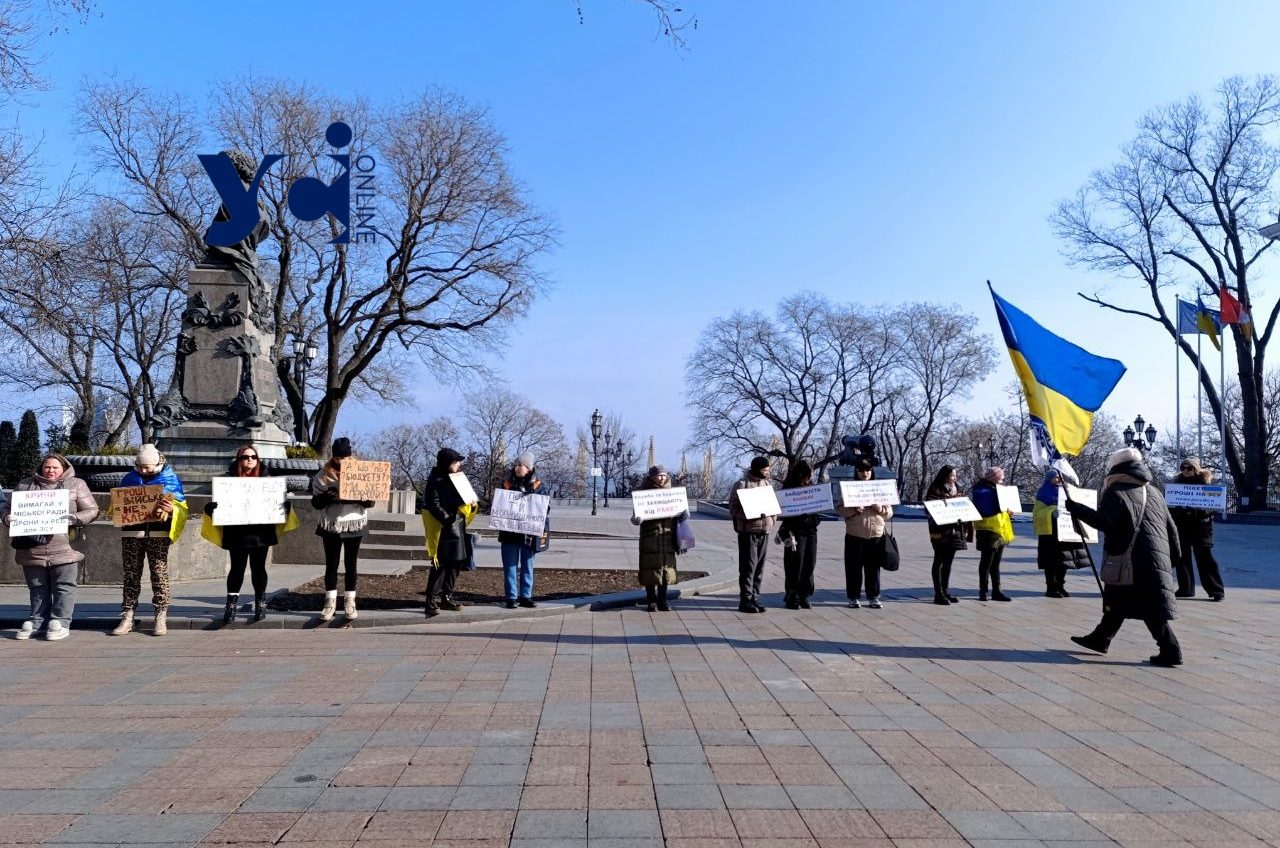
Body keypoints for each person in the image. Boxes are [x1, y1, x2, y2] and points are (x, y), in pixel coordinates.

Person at [1066, 447, 1183, 667]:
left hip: (1129, 559)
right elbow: (1172, 529)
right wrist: (1172, 560)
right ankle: (1101, 639)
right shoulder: (1154, 492)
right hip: (1155, 559)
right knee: (1120, 600)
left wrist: (1077, 509)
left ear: (1115, 468)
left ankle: (1171, 649)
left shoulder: (1117, 491)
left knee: (1147, 607)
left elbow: (1105, 523)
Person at [2, 454, 100, 641]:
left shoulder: (76, 484)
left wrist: (77, 518)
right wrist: (7, 518)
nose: (51, 471)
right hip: (32, 547)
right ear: (41, 468)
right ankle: (37, 620)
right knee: (37, 587)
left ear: (63, 468)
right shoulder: (24, 485)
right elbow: (7, 508)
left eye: (55, 467)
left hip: (65, 547)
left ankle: (60, 622)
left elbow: (92, 510)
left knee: (64, 586)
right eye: (48, 467)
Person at [204, 444, 292, 624]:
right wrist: (211, 508)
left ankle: (260, 602)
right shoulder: (227, 481)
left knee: (258, 568)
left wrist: (284, 507)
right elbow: (218, 504)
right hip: (237, 531)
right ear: (239, 460)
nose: (250, 460)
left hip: (261, 531)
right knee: (237, 568)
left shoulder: (268, 481)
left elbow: (278, 504)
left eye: (253, 457)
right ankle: (231, 604)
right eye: (245, 457)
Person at [113, 444, 187, 636]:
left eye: (148, 467)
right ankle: (127, 616)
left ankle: (160, 615)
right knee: (130, 575)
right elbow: (117, 507)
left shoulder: (170, 479)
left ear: (157, 464)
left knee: (159, 574)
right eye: (140, 466)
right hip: (132, 534)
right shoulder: (129, 478)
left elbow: (182, 506)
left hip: (158, 534)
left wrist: (171, 510)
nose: (144, 471)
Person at [311, 437, 374, 622]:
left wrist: (358, 497)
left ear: (350, 456)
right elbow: (315, 502)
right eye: (338, 458)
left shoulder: (362, 472)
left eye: (345, 458)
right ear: (334, 457)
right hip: (331, 522)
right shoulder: (323, 475)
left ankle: (350, 602)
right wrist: (328, 497)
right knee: (331, 563)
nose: (342, 462)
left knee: (350, 563)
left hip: (354, 521)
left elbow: (370, 502)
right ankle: (329, 602)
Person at [422, 448, 475, 617]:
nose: (458, 464)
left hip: (458, 525)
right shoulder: (435, 480)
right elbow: (433, 504)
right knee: (441, 565)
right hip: (444, 528)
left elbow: (463, 498)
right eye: (455, 462)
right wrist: (448, 519)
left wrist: (472, 503)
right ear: (447, 463)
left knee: (456, 562)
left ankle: (447, 595)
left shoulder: (457, 478)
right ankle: (431, 598)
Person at [630, 465, 689, 612]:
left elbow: (680, 514)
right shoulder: (644, 494)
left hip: (668, 537)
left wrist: (684, 515)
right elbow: (635, 516)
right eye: (658, 475)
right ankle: (651, 601)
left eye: (664, 475)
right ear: (652, 477)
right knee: (650, 571)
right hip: (651, 538)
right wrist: (637, 519)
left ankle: (663, 600)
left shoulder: (673, 494)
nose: (661, 478)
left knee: (666, 571)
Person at [1168, 457, 1225, 601]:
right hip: (1182, 526)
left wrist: (1200, 511)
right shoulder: (1176, 485)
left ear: (1196, 469)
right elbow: (1169, 506)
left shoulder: (1205, 484)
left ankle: (1216, 590)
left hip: (1202, 527)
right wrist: (1179, 510)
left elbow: (1213, 506)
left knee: (1205, 558)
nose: (1185, 471)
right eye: (1183, 468)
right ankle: (1186, 588)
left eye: (1189, 468)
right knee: (1182, 558)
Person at [837, 460, 892, 609]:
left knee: (873, 568)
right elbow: (840, 510)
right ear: (857, 472)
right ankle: (853, 597)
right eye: (861, 470)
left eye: (867, 470)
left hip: (875, 534)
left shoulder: (879, 488)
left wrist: (880, 509)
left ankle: (874, 597)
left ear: (871, 472)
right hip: (855, 534)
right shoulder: (850, 489)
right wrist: (855, 510)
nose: (865, 473)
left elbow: (889, 513)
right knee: (853, 568)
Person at [498, 453, 546, 609]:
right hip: (509, 532)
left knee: (527, 564)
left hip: (528, 533)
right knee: (510, 565)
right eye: (516, 464)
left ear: (529, 468)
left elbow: (545, 506)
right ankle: (511, 597)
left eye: (521, 465)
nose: (518, 467)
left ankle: (526, 596)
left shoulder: (538, 486)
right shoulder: (506, 484)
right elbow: (499, 504)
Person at [728, 456, 776, 613]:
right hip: (748, 532)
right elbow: (733, 508)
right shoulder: (742, 485)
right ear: (756, 469)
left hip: (764, 531)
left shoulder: (767, 485)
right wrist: (749, 513)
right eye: (765, 470)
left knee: (759, 568)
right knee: (749, 567)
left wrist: (772, 520)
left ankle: (755, 598)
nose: (767, 473)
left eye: (768, 470)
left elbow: (773, 506)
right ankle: (746, 600)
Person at [1032, 468, 1089, 598]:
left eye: (1059, 477)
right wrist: (1052, 511)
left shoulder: (1066, 491)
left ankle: (1060, 586)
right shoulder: (1043, 492)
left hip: (1065, 531)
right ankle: (1051, 587)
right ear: (1049, 479)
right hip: (1050, 533)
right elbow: (1037, 513)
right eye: (1055, 477)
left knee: (1064, 560)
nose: (1058, 479)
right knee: (1051, 561)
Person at [925, 464, 971, 604]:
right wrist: (947, 503)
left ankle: (945, 591)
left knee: (948, 562)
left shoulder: (958, 489)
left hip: (955, 530)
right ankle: (938, 593)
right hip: (940, 531)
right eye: (952, 475)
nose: (954, 478)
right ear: (945, 476)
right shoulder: (936, 488)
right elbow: (929, 508)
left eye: (955, 476)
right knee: (939, 560)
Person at [777, 460, 820, 610]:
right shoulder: (789, 488)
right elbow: (783, 511)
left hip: (811, 531)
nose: (809, 478)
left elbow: (819, 505)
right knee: (795, 563)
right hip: (795, 532)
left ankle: (804, 594)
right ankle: (792, 595)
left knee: (810, 562)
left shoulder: (812, 488)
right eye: (807, 475)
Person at [970, 466, 1014, 602]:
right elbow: (985, 507)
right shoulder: (982, 490)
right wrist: (999, 502)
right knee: (986, 562)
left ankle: (996, 590)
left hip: (1000, 529)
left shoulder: (996, 490)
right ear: (993, 478)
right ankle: (983, 591)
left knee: (995, 563)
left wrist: (1008, 511)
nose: (1002, 480)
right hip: (988, 529)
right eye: (1000, 478)